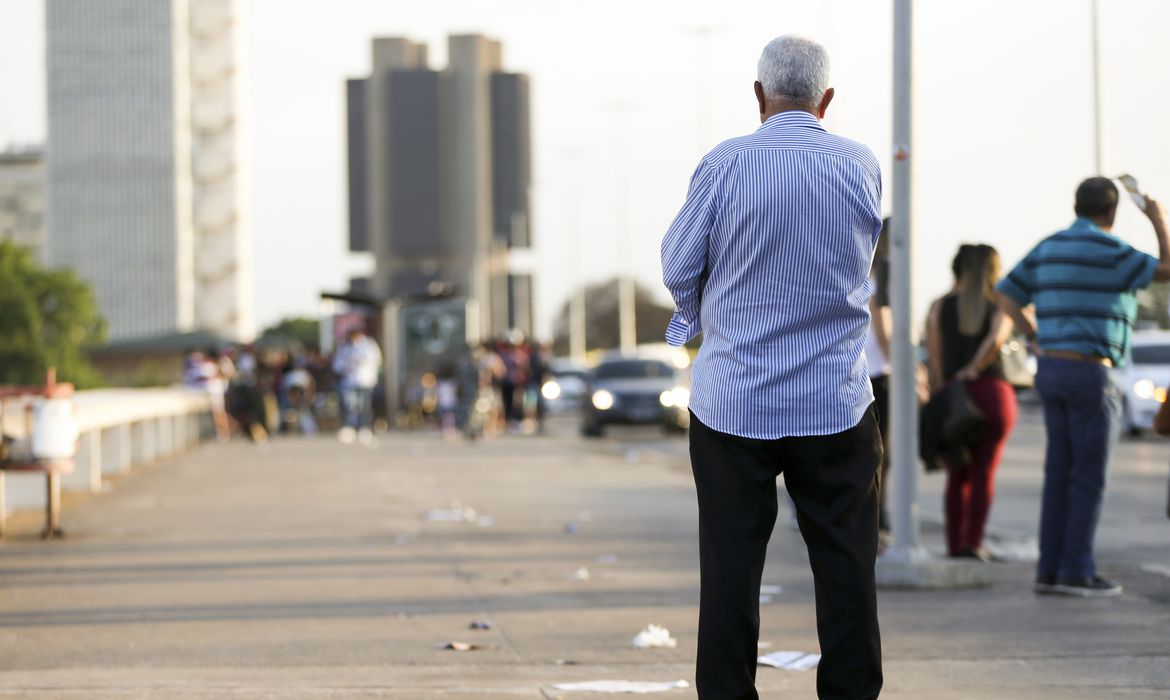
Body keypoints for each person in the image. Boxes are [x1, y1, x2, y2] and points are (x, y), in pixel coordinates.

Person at [661, 35, 883, 700]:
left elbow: (678, 265)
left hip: (733, 404)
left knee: (731, 569)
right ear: (827, 99)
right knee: (846, 566)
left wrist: (695, 314)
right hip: (835, 400)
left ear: (758, 95)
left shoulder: (725, 164)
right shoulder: (860, 165)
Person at [996, 177, 1170, 597]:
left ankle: (1050, 569)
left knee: (1059, 472)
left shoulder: (1049, 247)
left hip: (1051, 369)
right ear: (1111, 211)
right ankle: (1076, 570)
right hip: (1091, 372)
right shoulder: (1112, 251)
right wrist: (1158, 219)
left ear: (1076, 206)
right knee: (1088, 476)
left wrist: (1035, 335)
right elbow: (1167, 272)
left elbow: (1006, 296)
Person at [925, 244, 1017, 561]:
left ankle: (954, 546)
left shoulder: (939, 306)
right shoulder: (1001, 303)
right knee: (983, 473)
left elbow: (934, 357)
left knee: (957, 475)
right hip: (993, 394)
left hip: (954, 395)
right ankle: (974, 543)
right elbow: (997, 339)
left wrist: (946, 386)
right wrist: (976, 368)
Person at [332, 327, 382, 445]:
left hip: (365, 381)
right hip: (350, 381)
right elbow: (337, 365)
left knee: (364, 406)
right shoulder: (345, 347)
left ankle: (365, 429)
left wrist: (360, 361)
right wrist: (347, 365)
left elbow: (377, 360)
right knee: (350, 406)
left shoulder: (369, 345)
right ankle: (350, 428)